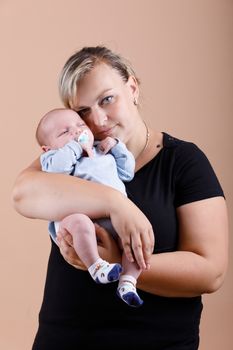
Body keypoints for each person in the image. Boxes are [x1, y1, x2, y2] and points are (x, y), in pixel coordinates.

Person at [12, 46, 228, 349]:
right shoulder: (71, 154)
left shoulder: (183, 161)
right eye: (82, 111)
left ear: (133, 88)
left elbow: (210, 272)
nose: (97, 120)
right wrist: (117, 204)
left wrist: (116, 259)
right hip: (64, 339)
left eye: (107, 99)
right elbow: (22, 194)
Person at [36, 107, 144, 307]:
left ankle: (128, 281)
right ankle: (96, 267)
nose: (76, 132)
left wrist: (116, 146)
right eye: (64, 132)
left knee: (133, 237)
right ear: (47, 148)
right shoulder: (52, 159)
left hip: (113, 218)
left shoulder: (101, 150)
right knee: (81, 223)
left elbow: (127, 172)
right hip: (75, 221)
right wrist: (76, 147)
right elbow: (57, 171)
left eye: (80, 125)